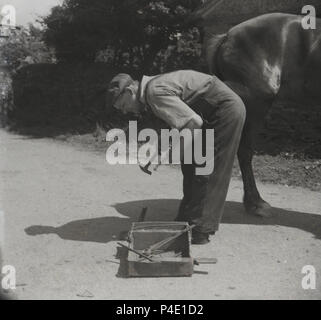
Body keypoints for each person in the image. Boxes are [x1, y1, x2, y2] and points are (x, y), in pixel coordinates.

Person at [108, 70, 246, 244]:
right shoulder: (153, 88)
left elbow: (193, 122)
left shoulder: (154, 91)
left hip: (224, 110)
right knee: (189, 164)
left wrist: (162, 156)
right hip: (209, 112)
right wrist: (159, 153)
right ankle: (185, 221)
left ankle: (200, 230)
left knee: (206, 168)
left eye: (123, 105)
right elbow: (180, 123)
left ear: (130, 91)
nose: (125, 111)